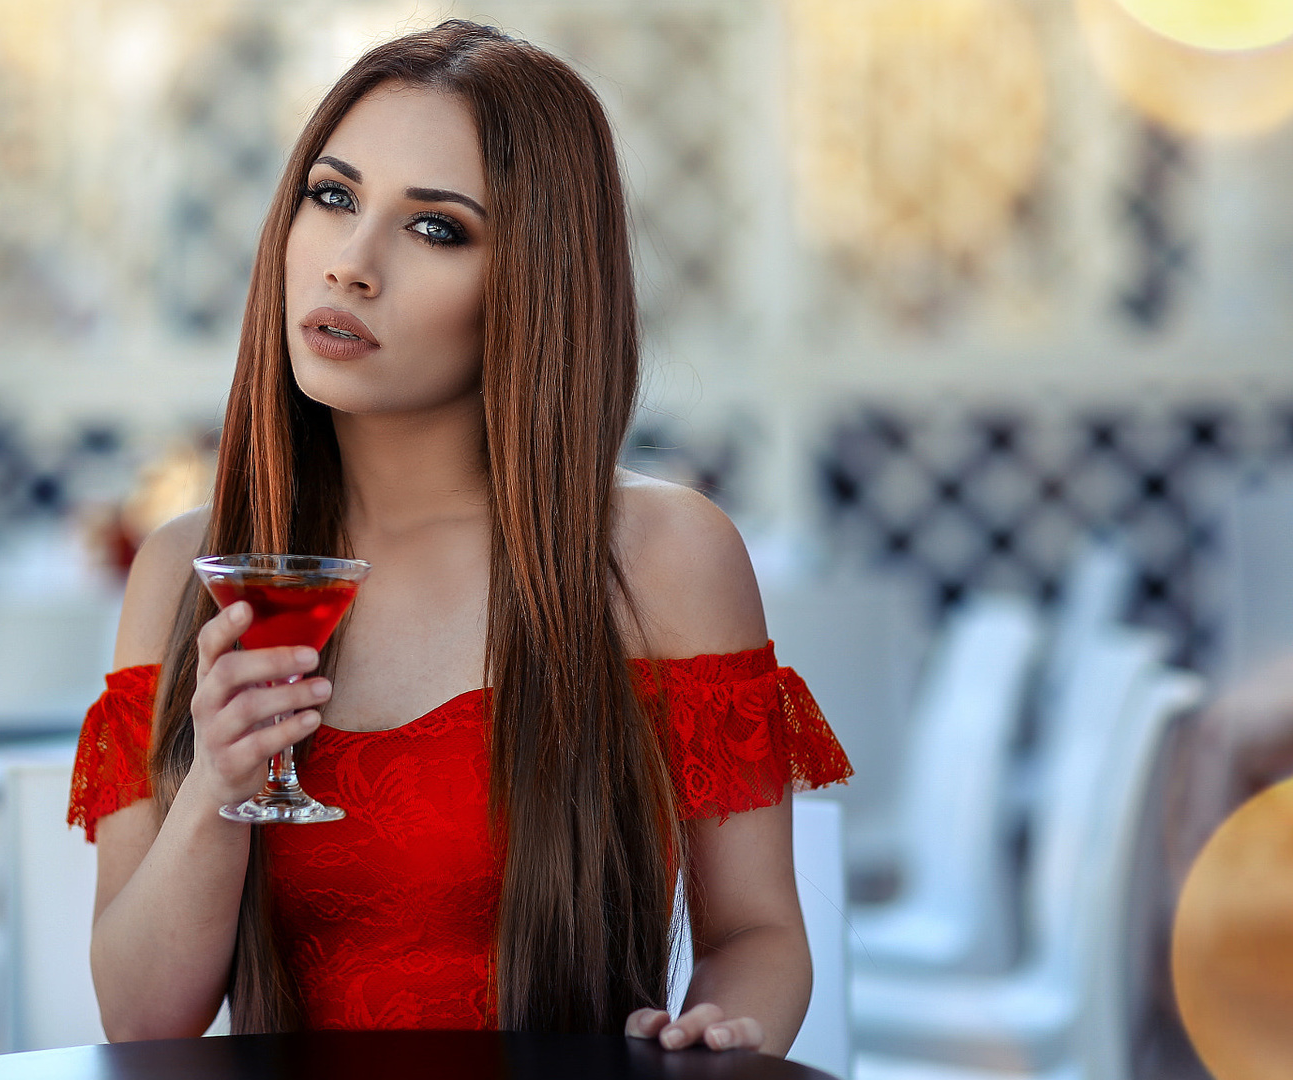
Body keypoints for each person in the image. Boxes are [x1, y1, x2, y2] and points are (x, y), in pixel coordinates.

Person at [67, 20, 851, 1053]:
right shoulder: (187, 570)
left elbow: (756, 931)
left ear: (536, 282)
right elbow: (140, 1019)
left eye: (434, 229)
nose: (350, 264)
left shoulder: (663, 557)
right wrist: (220, 782)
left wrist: (720, 1029)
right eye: (333, 196)